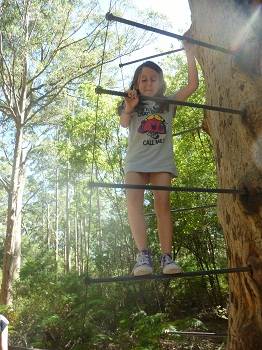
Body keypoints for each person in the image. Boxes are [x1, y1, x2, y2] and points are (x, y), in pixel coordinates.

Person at [119, 34, 199, 276]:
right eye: (143, 79)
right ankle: (143, 256)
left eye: (153, 79)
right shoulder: (131, 103)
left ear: (160, 82)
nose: (148, 82)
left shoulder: (168, 102)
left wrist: (190, 52)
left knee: (162, 204)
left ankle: (167, 257)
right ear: (136, 83)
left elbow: (193, 85)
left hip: (161, 162)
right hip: (136, 161)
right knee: (133, 203)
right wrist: (130, 107)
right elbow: (124, 123)